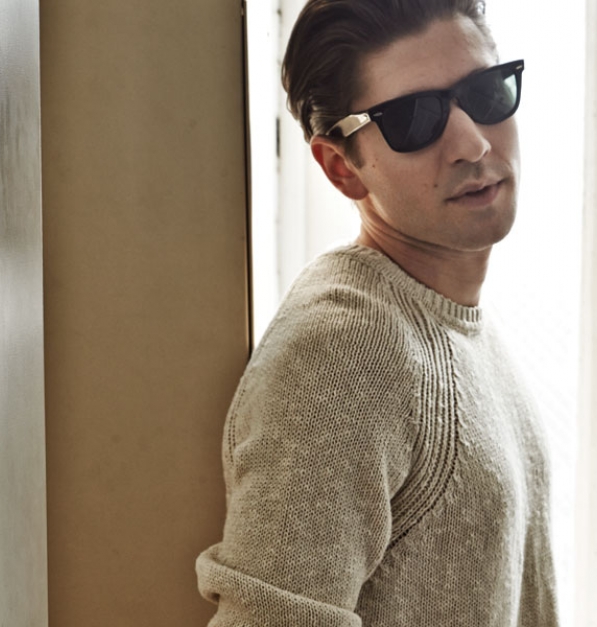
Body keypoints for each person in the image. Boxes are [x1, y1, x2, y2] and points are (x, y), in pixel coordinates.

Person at [196, 0, 558, 624]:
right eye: (415, 120)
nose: (472, 143)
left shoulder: (450, 323)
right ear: (342, 169)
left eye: (485, 93)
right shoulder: (342, 352)